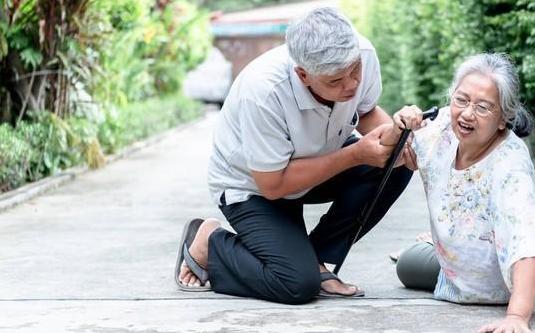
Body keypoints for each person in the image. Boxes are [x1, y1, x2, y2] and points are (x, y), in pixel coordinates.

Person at [175, 7, 413, 304]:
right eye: (336, 81)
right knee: (296, 285)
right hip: (254, 187)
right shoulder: (262, 92)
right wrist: (356, 154)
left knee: (395, 162)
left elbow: (365, 111)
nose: (351, 84)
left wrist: (401, 141)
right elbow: (273, 185)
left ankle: (317, 258)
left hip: (316, 162)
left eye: (355, 71)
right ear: (303, 75)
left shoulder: (360, 51)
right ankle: (211, 244)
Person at [381, 53, 535, 332]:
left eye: (483, 107)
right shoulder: (441, 127)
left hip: (506, 278)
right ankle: (435, 243)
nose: (466, 113)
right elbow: (381, 154)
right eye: (461, 99)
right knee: (406, 264)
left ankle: (436, 244)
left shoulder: (511, 164)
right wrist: (398, 130)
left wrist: (517, 315)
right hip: (454, 271)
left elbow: (525, 240)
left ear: (503, 118)